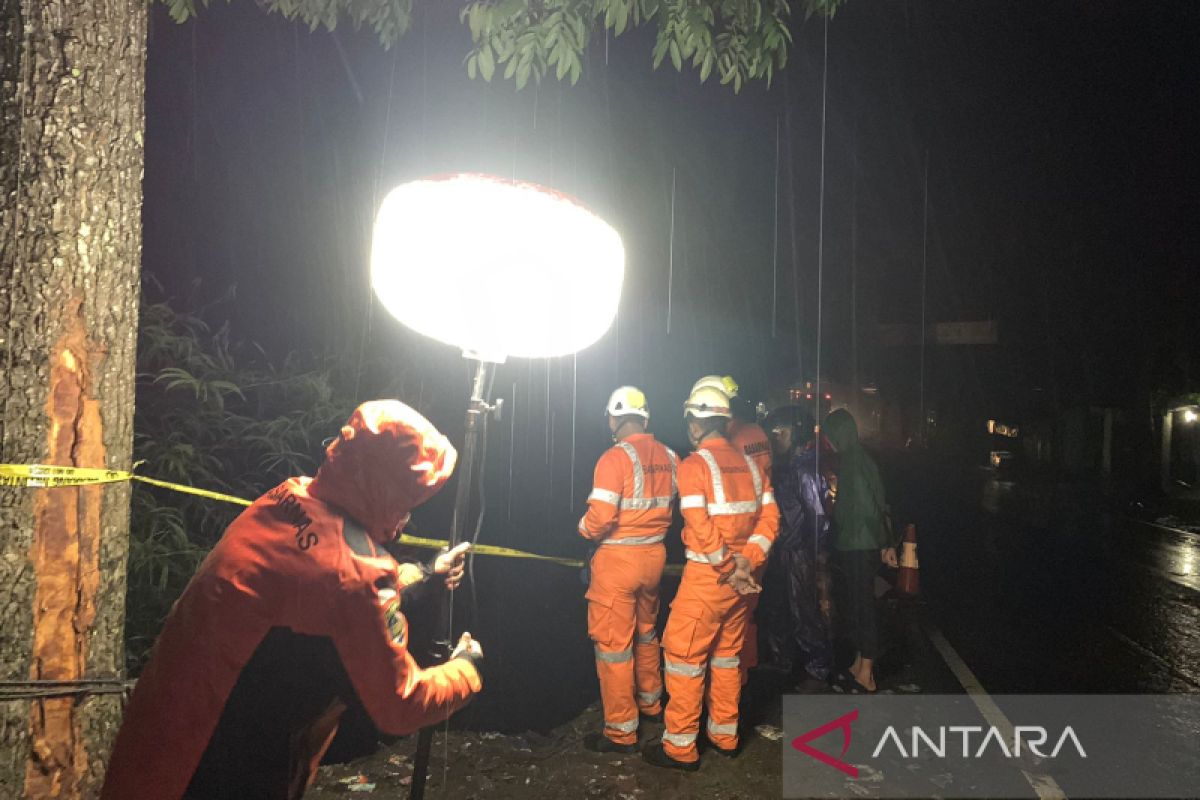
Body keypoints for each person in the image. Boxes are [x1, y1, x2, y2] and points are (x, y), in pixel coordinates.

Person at [102, 401, 484, 800]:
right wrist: (466, 669)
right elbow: (399, 705)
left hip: (162, 730)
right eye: (408, 501)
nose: (408, 515)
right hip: (223, 769)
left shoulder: (287, 497)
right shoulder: (357, 574)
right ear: (387, 492)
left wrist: (425, 574)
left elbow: (323, 590)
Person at [643, 385, 779, 771]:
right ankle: (725, 735)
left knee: (684, 657)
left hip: (709, 579)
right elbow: (770, 521)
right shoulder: (752, 465)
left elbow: (698, 526)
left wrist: (727, 568)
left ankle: (680, 748)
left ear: (695, 423)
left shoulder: (694, 466)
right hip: (742, 584)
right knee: (726, 656)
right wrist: (747, 563)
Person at [577, 386, 678, 753]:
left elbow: (600, 518)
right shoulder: (670, 456)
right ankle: (652, 702)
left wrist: (583, 530)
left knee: (613, 646)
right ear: (646, 417)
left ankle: (621, 730)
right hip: (654, 559)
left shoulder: (613, 458)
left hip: (617, 562)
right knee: (647, 633)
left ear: (613, 418)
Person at [689, 374, 774, 685]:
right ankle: (742, 674)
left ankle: (732, 680)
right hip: (758, 541)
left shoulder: (730, 444)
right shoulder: (758, 433)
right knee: (745, 614)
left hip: (729, 547)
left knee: (719, 627)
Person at [822, 408, 896, 694]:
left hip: (859, 544)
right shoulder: (858, 458)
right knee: (857, 604)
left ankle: (867, 673)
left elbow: (866, 508)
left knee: (862, 607)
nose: (828, 442)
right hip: (859, 542)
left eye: (830, 435)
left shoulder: (853, 463)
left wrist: (882, 542)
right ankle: (858, 663)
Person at [761, 406, 833, 691]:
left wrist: (814, 552)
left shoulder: (805, 468)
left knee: (804, 611)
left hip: (799, 550)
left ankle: (818, 670)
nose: (776, 437)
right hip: (782, 548)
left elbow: (817, 515)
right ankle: (783, 662)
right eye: (774, 432)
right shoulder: (787, 465)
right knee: (779, 608)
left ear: (797, 432)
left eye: (782, 432)